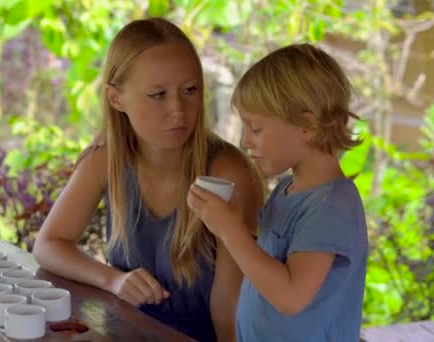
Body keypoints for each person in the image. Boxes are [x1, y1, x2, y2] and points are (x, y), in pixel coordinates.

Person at [32, 17, 264, 341]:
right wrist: (113, 280)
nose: (178, 110)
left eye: (189, 90)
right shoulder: (107, 157)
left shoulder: (228, 174)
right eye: (158, 94)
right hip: (121, 330)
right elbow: (48, 245)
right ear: (116, 99)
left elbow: (230, 311)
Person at [187, 43, 369, 342]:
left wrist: (230, 230)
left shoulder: (331, 206)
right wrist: (228, 222)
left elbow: (291, 295)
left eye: (256, 129)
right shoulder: (288, 188)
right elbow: (270, 265)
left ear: (307, 126)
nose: (246, 141)